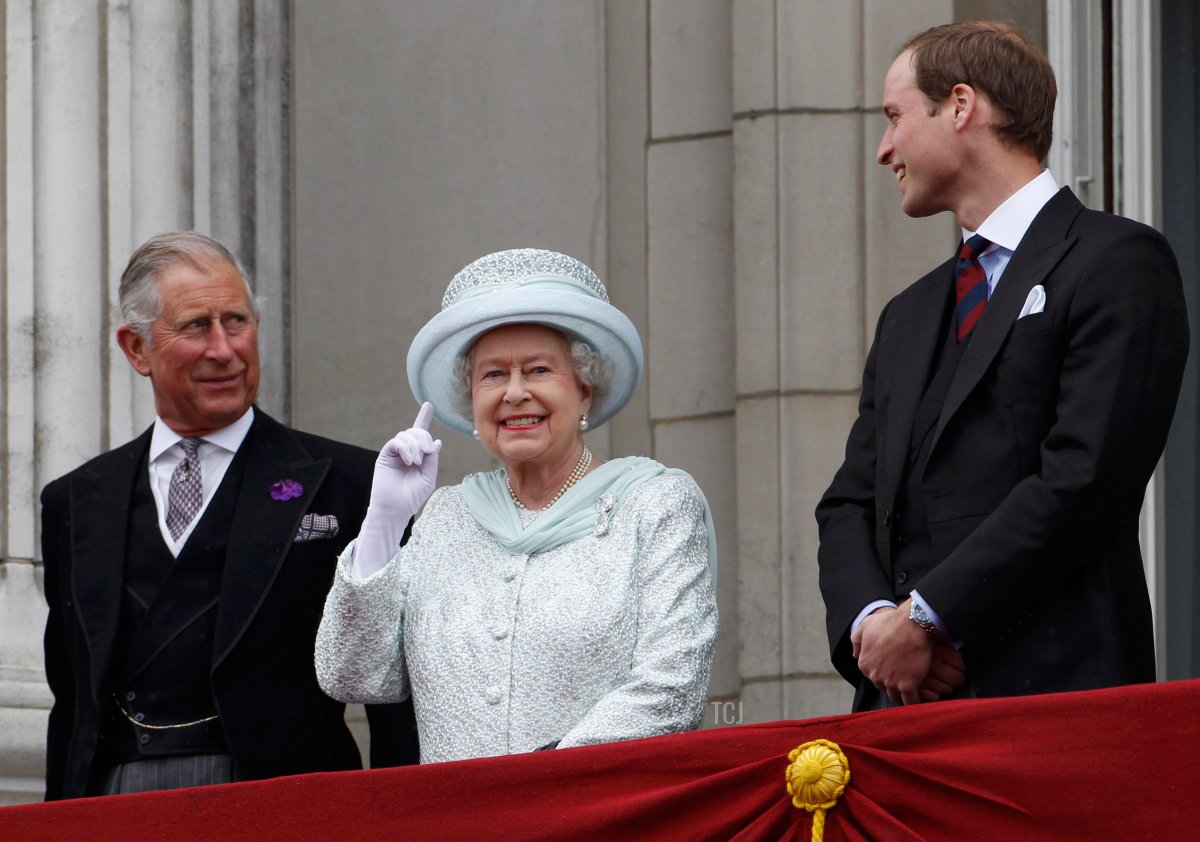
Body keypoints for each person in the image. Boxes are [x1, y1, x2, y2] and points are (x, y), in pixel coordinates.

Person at [816, 21, 1189, 711]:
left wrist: (929, 616)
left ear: (960, 106)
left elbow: (1085, 477)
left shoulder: (1116, 263)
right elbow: (849, 501)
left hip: (1057, 702)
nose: (883, 149)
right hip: (903, 714)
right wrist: (878, 628)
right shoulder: (907, 315)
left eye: (895, 117)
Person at [40, 231, 418, 799]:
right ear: (136, 348)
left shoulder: (354, 484)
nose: (224, 349)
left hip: (286, 805)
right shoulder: (77, 500)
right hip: (119, 804)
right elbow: (73, 705)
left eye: (236, 322)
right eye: (196, 326)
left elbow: (396, 692)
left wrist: (402, 820)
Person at [315, 248, 718, 763]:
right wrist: (384, 524)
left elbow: (672, 687)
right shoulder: (444, 517)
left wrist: (533, 787)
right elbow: (353, 673)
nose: (514, 393)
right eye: (492, 375)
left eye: (539, 370)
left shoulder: (655, 504)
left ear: (585, 389)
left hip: (595, 814)